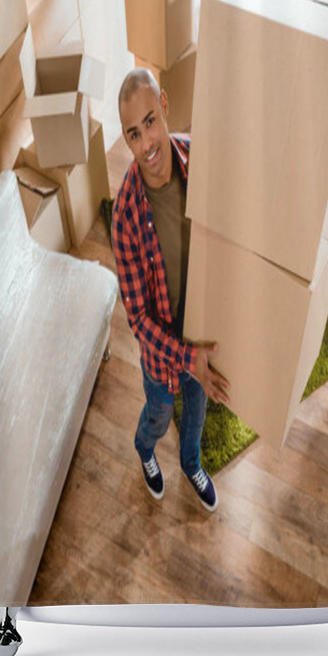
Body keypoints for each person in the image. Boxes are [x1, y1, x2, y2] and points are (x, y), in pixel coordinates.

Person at [110, 69, 229, 512]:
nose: (146, 144)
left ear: (164, 103)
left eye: (150, 122)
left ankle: (191, 462)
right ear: (127, 140)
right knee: (159, 417)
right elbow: (138, 320)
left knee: (196, 416)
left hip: (199, 333)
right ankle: (144, 452)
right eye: (133, 134)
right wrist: (186, 360)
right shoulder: (124, 215)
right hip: (162, 358)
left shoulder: (196, 161)